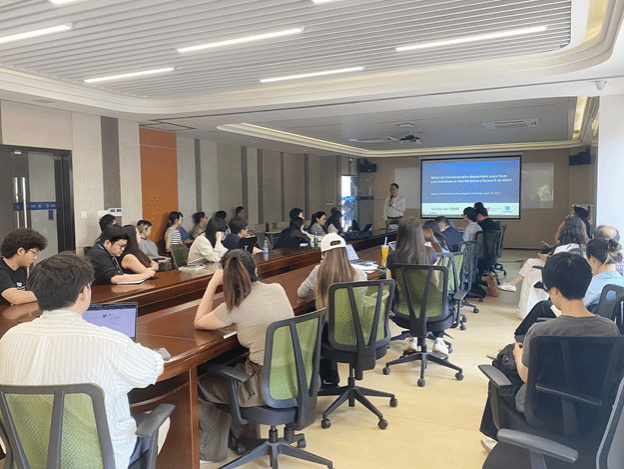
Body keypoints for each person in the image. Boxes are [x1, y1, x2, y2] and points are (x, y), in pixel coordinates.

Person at [0, 252, 167, 468]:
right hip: (96, 462)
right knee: (161, 420)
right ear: (83, 292)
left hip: (27, 458)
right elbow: (153, 369)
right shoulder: (109, 341)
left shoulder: (9, 339)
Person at [479, 252, 620, 452]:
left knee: (506, 361)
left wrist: (518, 357)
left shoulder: (542, 331)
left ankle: (494, 437)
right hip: (592, 408)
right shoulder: (609, 329)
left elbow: (527, 376)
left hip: (543, 407)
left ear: (554, 290)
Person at [194, 249, 294, 462]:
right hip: (293, 376)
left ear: (226, 278)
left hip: (262, 386)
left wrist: (212, 283)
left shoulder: (235, 304)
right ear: (255, 270)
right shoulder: (277, 289)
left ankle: (210, 453)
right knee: (239, 367)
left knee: (202, 386)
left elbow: (199, 321)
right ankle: (244, 440)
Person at [297, 233, 367, 388]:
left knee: (315, 325)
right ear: (345, 252)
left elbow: (301, 292)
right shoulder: (359, 274)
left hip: (330, 334)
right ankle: (331, 378)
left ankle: (326, 378)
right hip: (356, 331)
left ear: (323, 254)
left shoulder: (318, 271)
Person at [501, 216, 588, 319]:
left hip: (555, 276)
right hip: (570, 277)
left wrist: (547, 258)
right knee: (530, 262)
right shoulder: (581, 247)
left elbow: (554, 266)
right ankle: (512, 284)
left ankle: (523, 312)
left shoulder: (561, 248)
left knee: (530, 275)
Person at [385, 217, 449, 355]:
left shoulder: (392, 256)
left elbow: (389, 284)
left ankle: (413, 338)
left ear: (400, 234)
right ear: (419, 234)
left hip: (404, 306)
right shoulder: (430, 253)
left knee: (410, 302)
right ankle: (439, 340)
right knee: (443, 298)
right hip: (430, 304)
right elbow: (437, 282)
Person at [86, 225, 156, 285]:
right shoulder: (99, 255)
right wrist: (144, 275)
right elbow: (115, 278)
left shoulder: (104, 251)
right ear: (107, 243)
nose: (123, 249)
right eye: (121, 246)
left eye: (124, 246)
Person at [0, 228, 47, 305]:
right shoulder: (1, 270)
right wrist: (47, 294)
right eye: (34, 252)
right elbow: (16, 298)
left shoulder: (21, 269)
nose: (35, 257)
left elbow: (26, 295)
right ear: (20, 251)